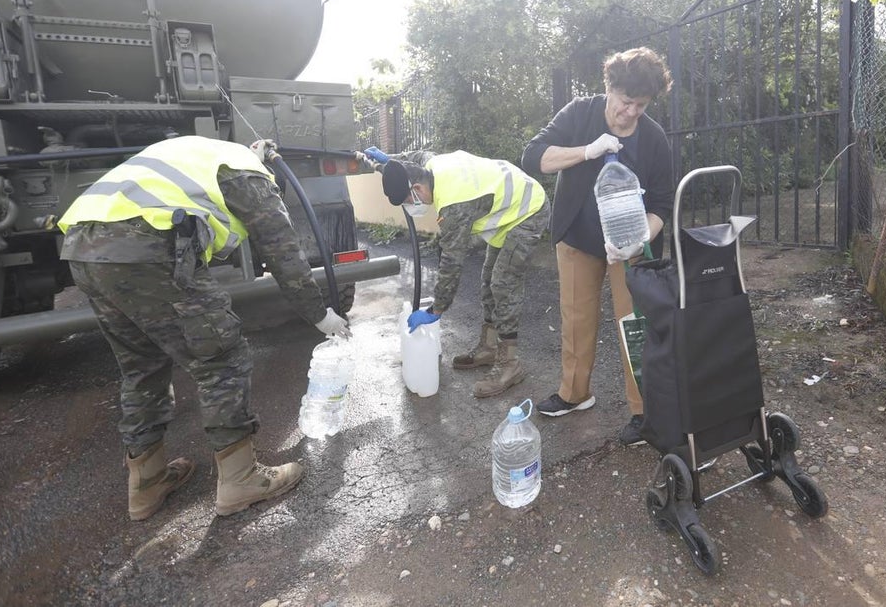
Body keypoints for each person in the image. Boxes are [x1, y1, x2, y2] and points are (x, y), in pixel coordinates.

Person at [57, 135, 351, 521]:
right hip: (146, 246)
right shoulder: (248, 173)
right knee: (221, 358)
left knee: (142, 365)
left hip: (83, 248)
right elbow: (283, 252)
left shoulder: (199, 155)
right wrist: (320, 315)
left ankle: (145, 486)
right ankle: (241, 479)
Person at [521, 46, 674, 446]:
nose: (631, 113)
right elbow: (533, 156)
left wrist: (641, 237)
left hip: (629, 247)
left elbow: (661, 202)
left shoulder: (654, 138)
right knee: (576, 318)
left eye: (640, 106)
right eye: (625, 102)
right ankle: (575, 394)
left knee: (635, 327)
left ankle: (645, 413)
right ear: (609, 88)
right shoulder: (579, 114)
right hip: (577, 237)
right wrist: (588, 150)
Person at [364, 147, 550, 398]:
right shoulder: (431, 165)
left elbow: (452, 262)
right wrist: (390, 161)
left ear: (417, 189)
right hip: (508, 213)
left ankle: (510, 364)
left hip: (529, 211)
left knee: (503, 283)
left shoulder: (454, 204)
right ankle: (489, 347)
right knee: (487, 280)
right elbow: (416, 155)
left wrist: (435, 310)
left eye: (408, 202)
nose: (411, 208)